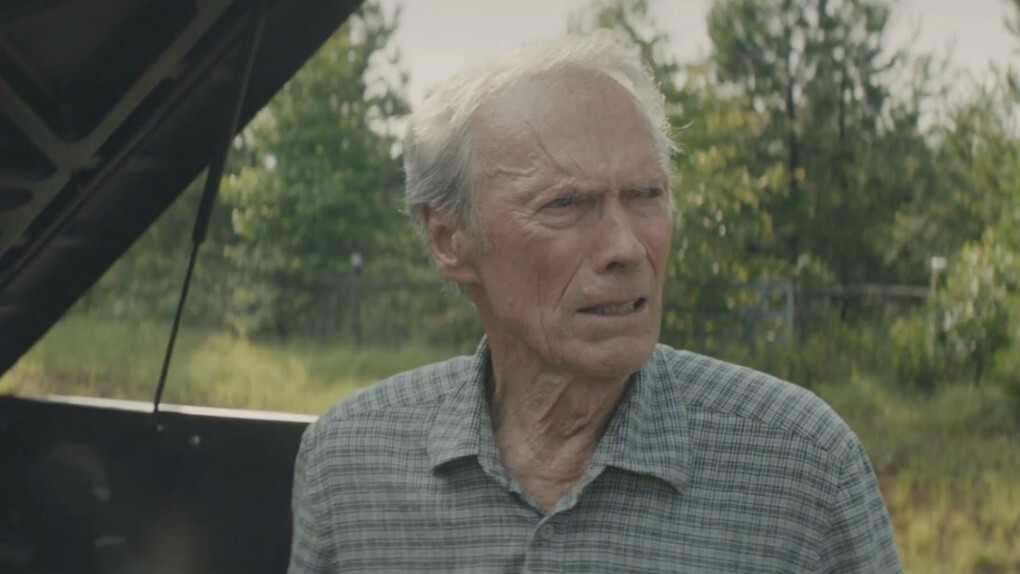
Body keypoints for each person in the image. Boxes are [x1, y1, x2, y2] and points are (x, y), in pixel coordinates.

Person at [288, 31, 902, 573]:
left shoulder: (801, 466)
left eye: (645, 195)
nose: (626, 248)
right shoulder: (351, 462)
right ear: (449, 239)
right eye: (566, 204)